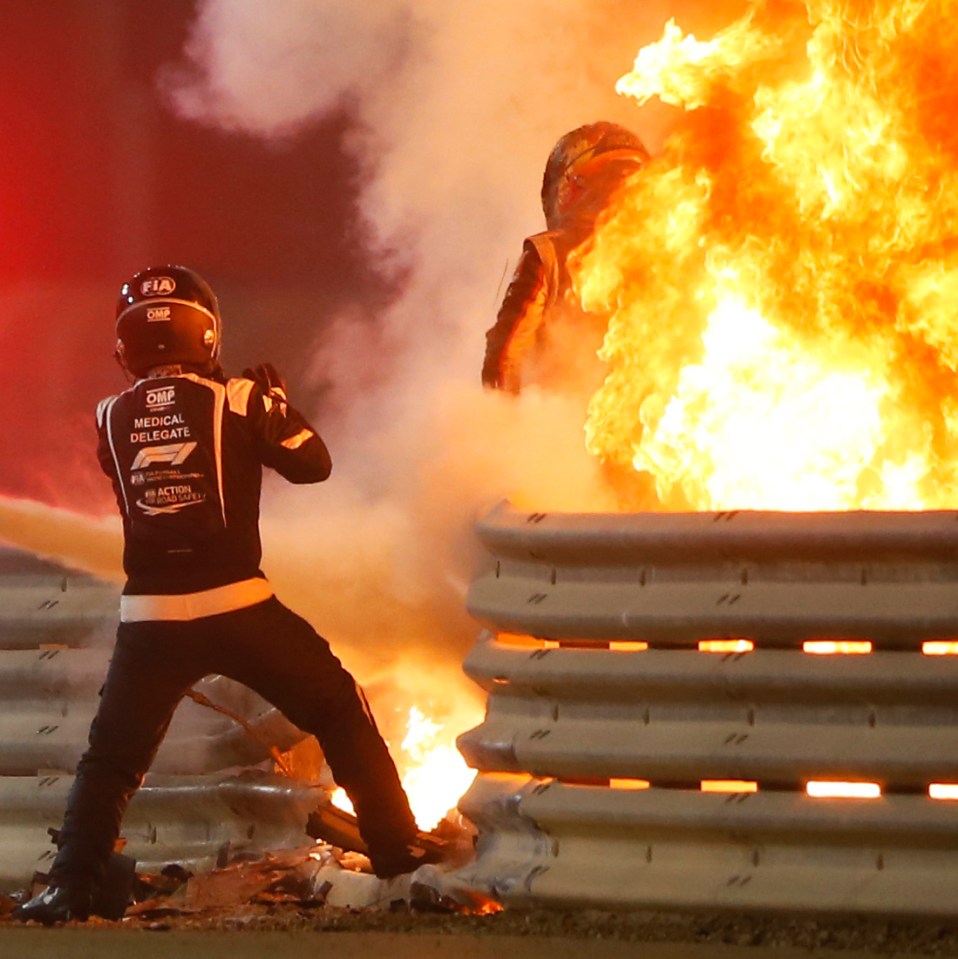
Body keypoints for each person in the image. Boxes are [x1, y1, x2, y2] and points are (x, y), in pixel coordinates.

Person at [15, 265, 433, 924]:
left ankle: (70, 885)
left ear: (126, 344)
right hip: (236, 603)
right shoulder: (239, 398)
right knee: (337, 705)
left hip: (148, 617)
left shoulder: (109, 416)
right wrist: (276, 402)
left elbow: (153, 437)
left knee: (112, 759)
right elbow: (314, 464)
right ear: (206, 331)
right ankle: (400, 853)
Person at [482, 121, 650, 393]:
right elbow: (506, 354)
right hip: (570, 421)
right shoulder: (548, 255)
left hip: (637, 422)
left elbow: (505, 355)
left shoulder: (666, 257)